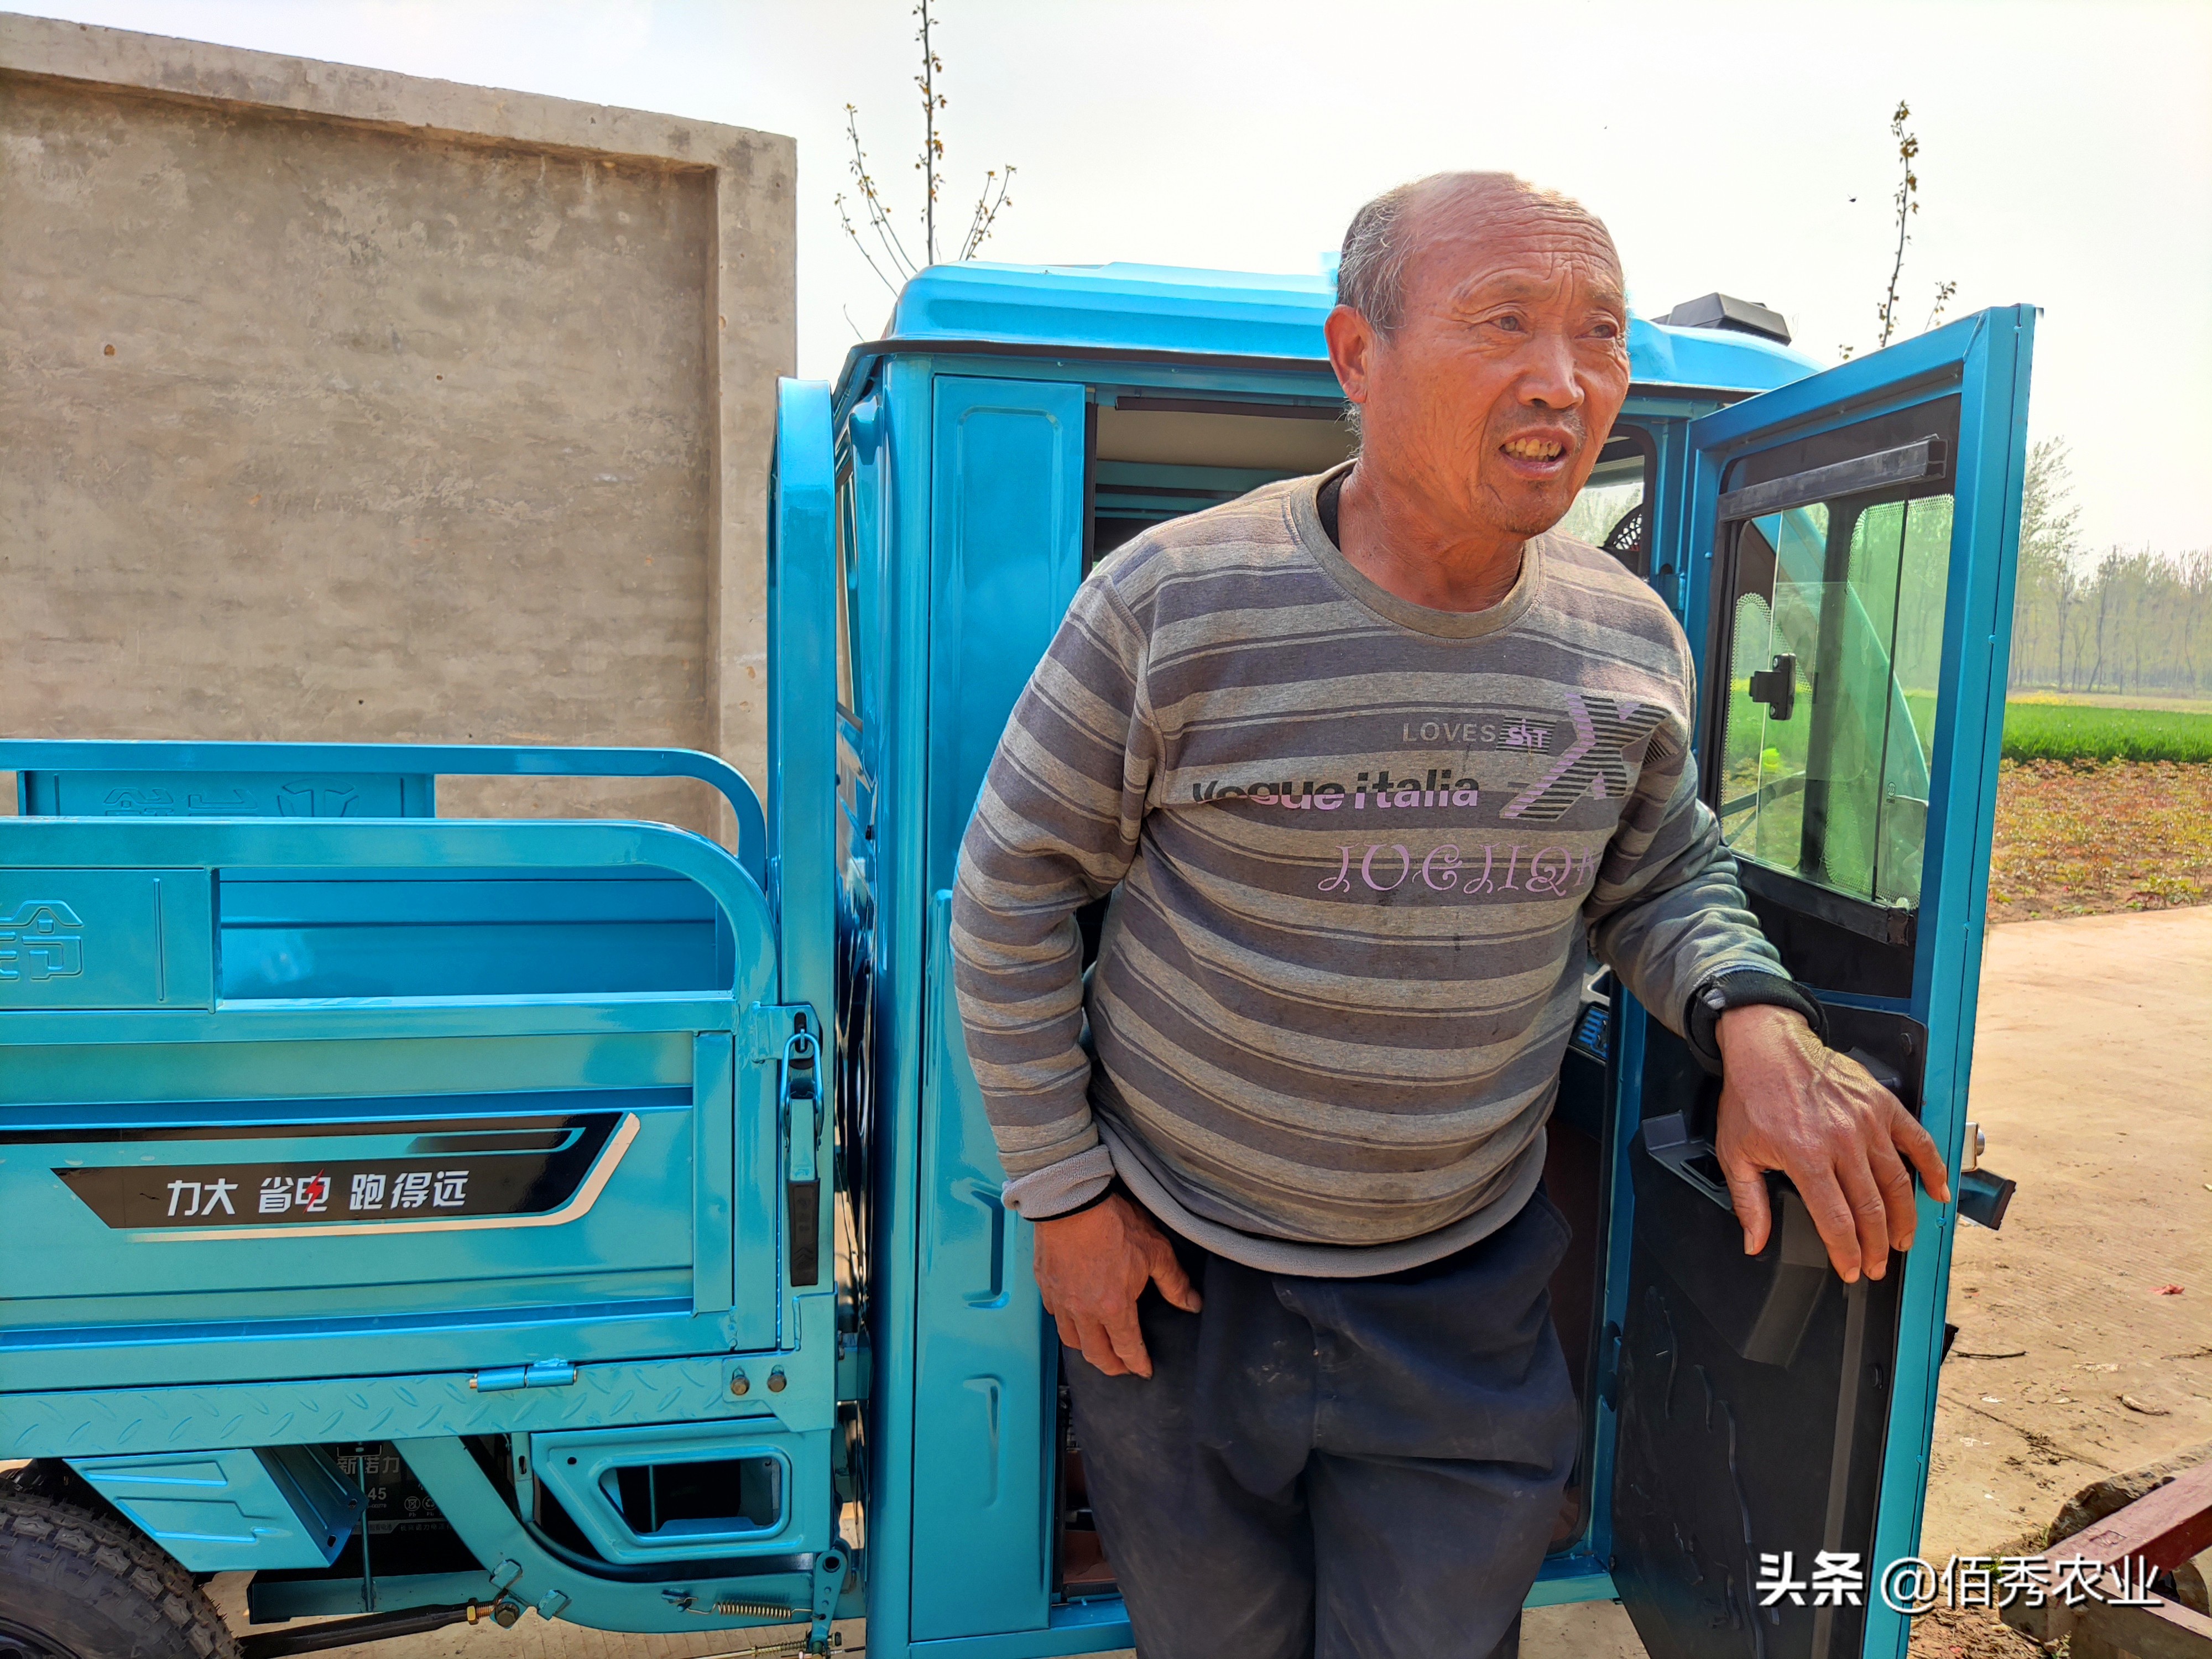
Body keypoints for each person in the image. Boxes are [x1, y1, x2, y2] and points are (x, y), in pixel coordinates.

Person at [950, 171, 1950, 1659]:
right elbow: (1013, 889)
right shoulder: (1172, 605)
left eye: (1600, 336)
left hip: (1461, 1284)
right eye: (1506, 324)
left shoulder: (1623, 639)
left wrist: (1758, 1022)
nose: (1565, 379)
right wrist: (1065, 1199)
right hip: (1177, 1270)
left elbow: (1660, 871)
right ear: (1358, 357)